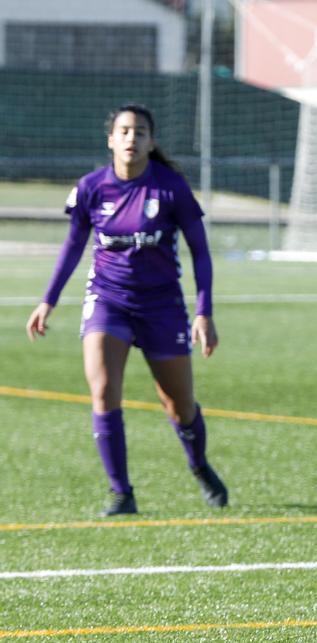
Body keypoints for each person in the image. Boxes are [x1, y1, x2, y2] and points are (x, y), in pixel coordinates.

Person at [26, 103, 228, 516]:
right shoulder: (91, 188)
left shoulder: (170, 188)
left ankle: (199, 464)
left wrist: (204, 311)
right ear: (111, 140)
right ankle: (122, 493)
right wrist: (48, 299)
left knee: (179, 405)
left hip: (162, 305)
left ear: (151, 142)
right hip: (108, 300)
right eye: (124, 131)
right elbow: (72, 246)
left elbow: (201, 252)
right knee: (103, 390)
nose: (131, 138)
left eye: (139, 132)